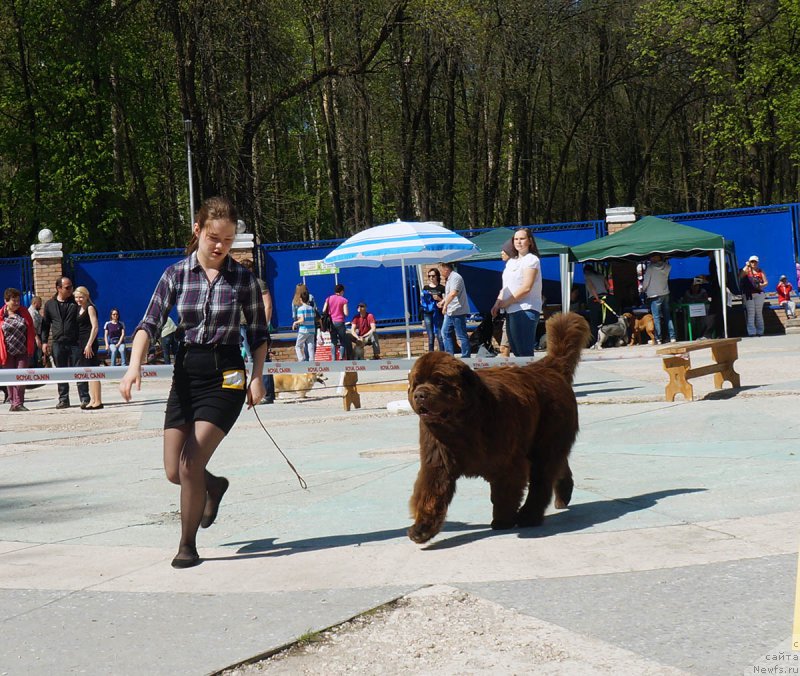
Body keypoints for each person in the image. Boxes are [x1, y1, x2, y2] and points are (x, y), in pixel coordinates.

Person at [119, 196, 269, 569]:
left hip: (227, 374)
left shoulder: (243, 280)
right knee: (175, 471)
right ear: (198, 230)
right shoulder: (175, 274)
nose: (220, 247)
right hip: (186, 374)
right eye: (214, 238)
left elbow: (259, 333)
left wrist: (257, 377)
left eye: (228, 241)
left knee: (189, 464)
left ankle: (187, 546)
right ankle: (213, 486)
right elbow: (149, 323)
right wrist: (133, 365)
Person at [490, 230, 542, 357]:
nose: (518, 242)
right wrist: (497, 303)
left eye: (522, 239)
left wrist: (506, 302)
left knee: (524, 352)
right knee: (517, 351)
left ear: (530, 241)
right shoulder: (511, 262)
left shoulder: (532, 260)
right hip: (511, 310)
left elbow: (526, 287)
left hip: (526, 309)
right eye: (516, 239)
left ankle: (532, 376)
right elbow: (505, 287)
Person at [41, 276, 90, 409]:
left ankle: (85, 398)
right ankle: (64, 399)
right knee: (60, 372)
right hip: (58, 343)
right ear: (59, 288)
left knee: (79, 370)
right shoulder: (50, 305)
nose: (71, 290)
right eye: (67, 288)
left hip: (74, 342)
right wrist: (44, 342)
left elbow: (87, 314)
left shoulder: (75, 303)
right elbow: (45, 325)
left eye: (71, 287)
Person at [0, 288, 36, 411]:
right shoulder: (1, 315)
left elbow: (31, 329)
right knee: (10, 377)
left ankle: (19, 402)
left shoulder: (24, 312)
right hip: (7, 352)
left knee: (21, 376)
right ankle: (12, 402)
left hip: (23, 350)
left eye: (18, 300)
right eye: (13, 301)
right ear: (6, 301)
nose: (16, 303)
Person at [74, 286, 103, 409]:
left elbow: (95, 327)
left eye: (81, 297)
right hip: (82, 342)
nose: (78, 299)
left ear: (86, 296)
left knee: (94, 371)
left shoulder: (90, 308)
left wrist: (89, 344)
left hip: (89, 342)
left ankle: (98, 400)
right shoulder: (79, 308)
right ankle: (92, 399)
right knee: (88, 372)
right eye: (76, 297)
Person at [438, 262, 471, 358]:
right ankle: (449, 356)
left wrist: (445, 306)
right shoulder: (449, 279)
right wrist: (443, 302)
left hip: (457, 310)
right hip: (451, 311)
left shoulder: (455, 277)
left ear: (446, 269)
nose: (440, 273)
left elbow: (453, 293)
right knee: (445, 332)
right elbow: (449, 294)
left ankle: (466, 356)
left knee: (461, 335)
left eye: (441, 270)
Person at [642, 254, 676, 344]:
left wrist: (643, 289)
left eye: (652, 256)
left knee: (656, 318)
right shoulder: (667, 267)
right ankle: (672, 337)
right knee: (667, 316)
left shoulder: (650, 268)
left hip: (654, 295)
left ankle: (658, 338)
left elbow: (646, 282)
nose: (651, 258)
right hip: (665, 293)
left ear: (657, 257)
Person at [740, 255, 767, 337]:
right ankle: (751, 332)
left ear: (757, 262)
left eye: (755, 261)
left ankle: (760, 331)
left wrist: (760, 285)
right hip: (748, 294)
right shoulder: (746, 270)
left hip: (759, 293)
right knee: (751, 313)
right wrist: (746, 266)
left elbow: (766, 282)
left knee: (758, 313)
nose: (753, 263)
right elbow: (740, 276)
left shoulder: (760, 271)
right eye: (752, 261)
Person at [323, 284, 351, 360]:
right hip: (340, 322)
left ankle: (333, 358)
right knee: (342, 340)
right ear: (341, 291)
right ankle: (341, 357)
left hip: (331, 322)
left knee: (333, 340)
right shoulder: (343, 300)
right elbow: (346, 313)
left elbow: (323, 310)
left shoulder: (328, 298)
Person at [420, 268, 445, 352]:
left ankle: (442, 354)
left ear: (437, 276)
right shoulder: (426, 287)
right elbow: (422, 302)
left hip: (438, 314)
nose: (431, 278)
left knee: (440, 335)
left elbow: (445, 301)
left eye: (433, 276)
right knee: (430, 336)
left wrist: (438, 298)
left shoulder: (441, 288)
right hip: (427, 313)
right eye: (429, 276)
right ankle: (431, 355)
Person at [291, 283, 317, 360]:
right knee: (310, 345)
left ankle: (302, 360)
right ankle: (311, 361)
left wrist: (295, 322)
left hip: (303, 327)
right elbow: (315, 310)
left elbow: (294, 315)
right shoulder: (311, 297)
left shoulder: (295, 300)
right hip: (312, 327)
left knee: (298, 345)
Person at [28, 295, 43, 367]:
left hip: (36, 336)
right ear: (35, 303)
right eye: (40, 303)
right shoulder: (32, 313)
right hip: (35, 337)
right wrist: (37, 338)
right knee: (35, 357)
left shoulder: (35, 312)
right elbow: (32, 327)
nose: (41, 305)